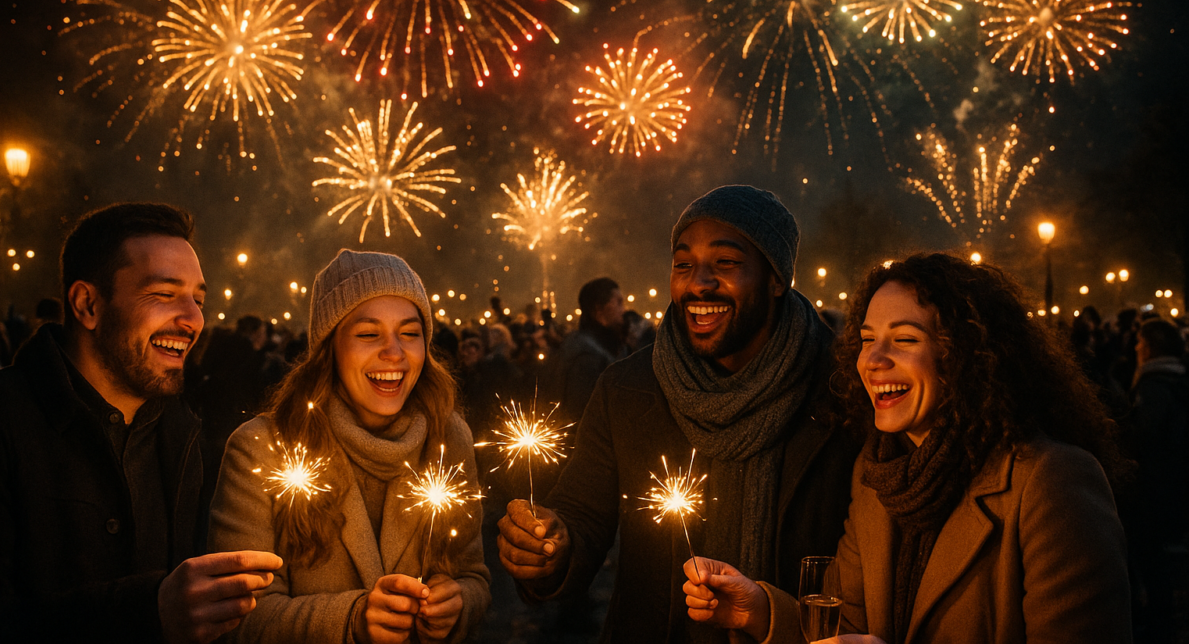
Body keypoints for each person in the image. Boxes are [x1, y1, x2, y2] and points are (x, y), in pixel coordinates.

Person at [683, 253, 1131, 644]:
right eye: (867, 339)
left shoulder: (1049, 480)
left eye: (905, 340)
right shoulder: (879, 474)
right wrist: (758, 610)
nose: (874, 361)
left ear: (966, 355)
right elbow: (845, 625)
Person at [497, 185, 859, 643]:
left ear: (776, 278)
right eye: (683, 265)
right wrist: (549, 547)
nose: (698, 283)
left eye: (725, 263)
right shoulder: (628, 389)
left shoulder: (843, 392)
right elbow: (581, 514)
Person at [0, 202, 281, 643]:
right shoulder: (1, 421)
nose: (193, 319)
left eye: (198, 300)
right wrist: (151, 609)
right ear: (88, 304)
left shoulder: (182, 436)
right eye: (164, 294)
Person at [208, 249, 490, 644]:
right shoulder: (263, 448)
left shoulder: (449, 437)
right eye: (368, 334)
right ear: (329, 348)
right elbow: (236, 617)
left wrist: (457, 602)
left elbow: (474, 575)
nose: (394, 352)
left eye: (410, 334)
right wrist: (351, 621)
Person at [1128, 317, 1188, 642]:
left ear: (1150, 347)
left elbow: (1147, 440)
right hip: (1174, 483)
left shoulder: (1152, 387)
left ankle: (1159, 625)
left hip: (1155, 488)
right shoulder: (1178, 380)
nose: (1136, 348)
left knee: (1151, 559)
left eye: (1140, 342)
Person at [551, 277, 628, 424]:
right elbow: (583, 415)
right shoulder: (588, 355)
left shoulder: (592, 345)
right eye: (618, 303)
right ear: (599, 309)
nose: (623, 310)